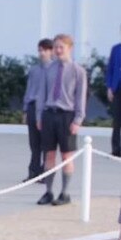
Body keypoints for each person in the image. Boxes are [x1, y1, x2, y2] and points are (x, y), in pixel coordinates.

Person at [36, 34, 87, 206]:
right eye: (56, 47)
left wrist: (78, 120)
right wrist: (39, 116)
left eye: (61, 47)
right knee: (49, 155)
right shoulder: (48, 69)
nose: (58, 51)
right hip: (49, 114)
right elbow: (42, 94)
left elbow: (80, 97)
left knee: (66, 156)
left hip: (67, 116)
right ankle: (48, 192)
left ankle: (64, 193)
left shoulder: (78, 71)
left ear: (69, 48)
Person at [22, 38, 54, 181]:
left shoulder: (54, 70)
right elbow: (29, 89)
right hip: (32, 106)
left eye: (45, 50)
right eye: (40, 50)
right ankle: (33, 171)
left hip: (46, 109)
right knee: (34, 143)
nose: (42, 53)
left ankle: (45, 172)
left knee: (46, 143)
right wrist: (25, 109)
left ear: (51, 51)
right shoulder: (34, 70)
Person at [107, 28, 121, 157]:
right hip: (117, 88)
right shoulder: (116, 49)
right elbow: (110, 69)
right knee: (117, 120)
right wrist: (109, 87)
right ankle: (116, 149)